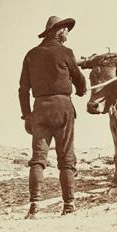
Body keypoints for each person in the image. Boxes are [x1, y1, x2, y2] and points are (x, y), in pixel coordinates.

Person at [18, 16, 87, 219]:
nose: (67, 33)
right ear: (58, 31)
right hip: (62, 107)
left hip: (39, 108)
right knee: (66, 157)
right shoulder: (66, 53)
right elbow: (79, 78)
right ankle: (69, 205)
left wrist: (26, 115)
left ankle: (34, 207)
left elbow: (23, 90)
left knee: (38, 159)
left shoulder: (31, 55)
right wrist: (82, 90)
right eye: (66, 30)